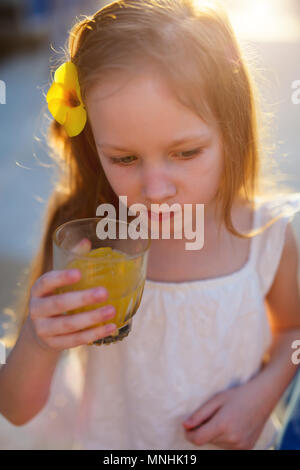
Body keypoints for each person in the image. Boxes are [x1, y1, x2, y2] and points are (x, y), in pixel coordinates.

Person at [1, 0, 300, 450]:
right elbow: (15, 408)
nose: (156, 189)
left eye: (185, 153)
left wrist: (263, 394)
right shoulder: (84, 239)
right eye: (124, 158)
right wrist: (39, 344)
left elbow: (293, 333)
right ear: (93, 145)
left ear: (231, 130)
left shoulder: (265, 237)